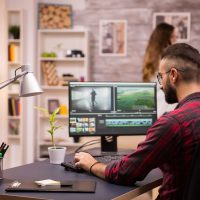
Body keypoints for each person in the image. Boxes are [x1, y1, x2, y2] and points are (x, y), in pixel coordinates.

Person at [74, 43, 200, 199]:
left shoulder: (172, 123)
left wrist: (92, 164)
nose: (160, 86)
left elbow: (125, 173)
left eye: (160, 77)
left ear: (173, 75)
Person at [142, 22, 177, 117]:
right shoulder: (168, 59)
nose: (175, 40)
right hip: (165, 108)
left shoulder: (151, 58)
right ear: (165, 39)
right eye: (173, 37)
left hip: (154, 108)